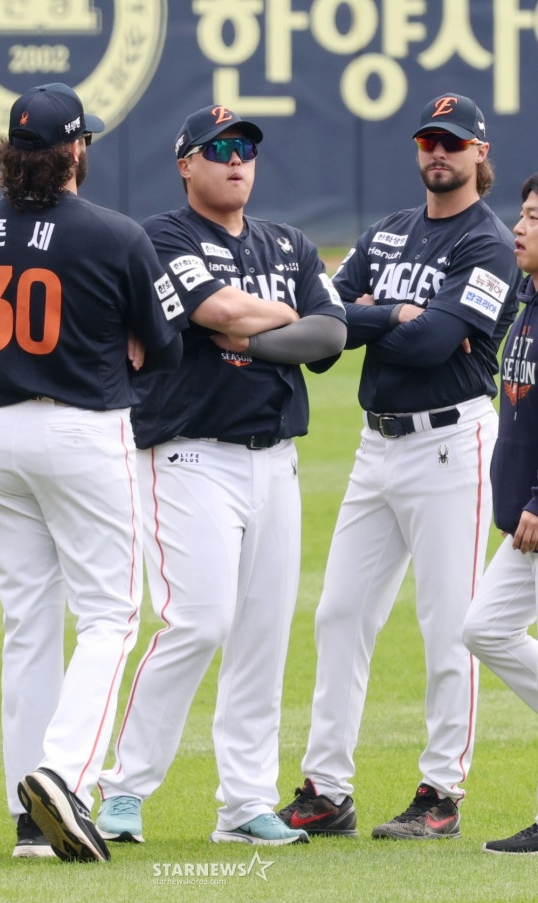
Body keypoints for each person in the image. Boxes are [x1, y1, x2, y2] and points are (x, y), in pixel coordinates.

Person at [95, 104, 347, 846]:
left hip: (276, 459)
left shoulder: (288, 241)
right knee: (198, 621)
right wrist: (278, 317)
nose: (236, 159)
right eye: (219, 148)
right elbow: (214, 307)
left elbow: (330, 333)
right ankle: (123, 790)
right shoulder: (162, 236)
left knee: (262, 636)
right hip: (189, 454)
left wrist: (248, 329)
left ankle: (244, 803)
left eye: (245, 149)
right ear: (186, 164)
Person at [278, 93, 521, 840]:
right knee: (339, 612)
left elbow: (428, 344)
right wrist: (390, 313)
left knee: (449, 624)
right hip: (375, 445)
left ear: (479, 153)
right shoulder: (387, 231)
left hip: (451, 445)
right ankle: (326, 789)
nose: (437, 152)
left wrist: (372, 316)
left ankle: (440, 793)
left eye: (452, 141)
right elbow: (320, 323)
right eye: (427, 140)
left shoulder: (488, 243)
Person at [0, 82, 186, 862]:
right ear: (76, 149)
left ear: (10, 152)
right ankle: (61, 774)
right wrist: (124, 337)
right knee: (110, 616)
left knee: (28, 622)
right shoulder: (115, 234)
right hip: (79, 431)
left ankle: (30, 822)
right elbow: (165, 346)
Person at [462, 172, 538, 854]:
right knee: (484, 627)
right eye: (522, 213)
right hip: (523, 526)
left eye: (535, 218)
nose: (518, 226)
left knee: (485, 626)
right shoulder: (527, 299)